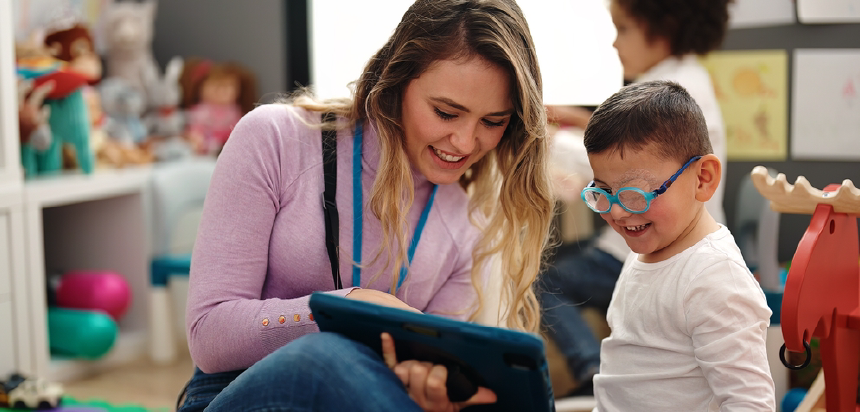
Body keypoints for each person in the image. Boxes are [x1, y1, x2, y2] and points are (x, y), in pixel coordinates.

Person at [177, 1, 555, 411]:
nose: (464, 143)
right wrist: (347, 308)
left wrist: (427, 386)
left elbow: (420, 373)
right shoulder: (274, 139)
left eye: (492, 122)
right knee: (323, 359)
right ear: (397, 81)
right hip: (238, 392)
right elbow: (209, 335)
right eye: (446, 113)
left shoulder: (467, 224)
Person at [539, 0, 732, 396]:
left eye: (623, 29)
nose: (614, 43)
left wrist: (553, 138)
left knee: (546, 279)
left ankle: (589, 372)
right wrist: (575, 119)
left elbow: (624, 170)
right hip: (653, 245)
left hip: (648, 247)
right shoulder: (684, 80)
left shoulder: (673, 89)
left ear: (662, 27)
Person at [582, 80, 774, 410]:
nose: (616, 210)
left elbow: (750, 404)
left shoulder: (715, 279)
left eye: (635, 194)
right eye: (602, 192)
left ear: (703, 178)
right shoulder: (646, 250)